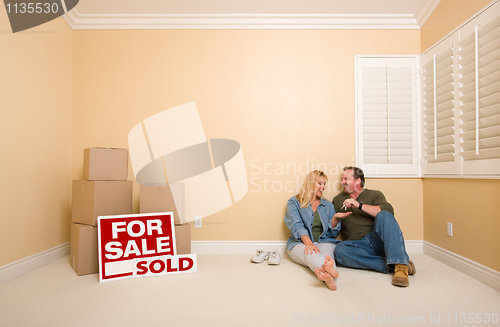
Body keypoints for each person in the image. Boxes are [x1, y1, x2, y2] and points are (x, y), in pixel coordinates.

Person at [332, 166, 415, 287]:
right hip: (358, 245)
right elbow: (332, 228)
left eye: (346, 179)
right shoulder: (338, 200)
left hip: (377, 240)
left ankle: (401, 269)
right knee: (340, 251)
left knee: (384, 215)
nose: (342, 182)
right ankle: (397, 264)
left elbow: (388, 212)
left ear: (358, 181)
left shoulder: (374, 194)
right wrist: (335, 217)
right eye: (342, 179)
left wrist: (359, 205)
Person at [284, 170, 341, 290]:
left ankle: (329, 278)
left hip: (324, 241)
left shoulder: (328, 205)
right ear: (310, 183)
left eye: (324, 184)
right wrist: (309, 243)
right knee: (310, 254)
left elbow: (333, 233)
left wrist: (335, 219)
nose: (323, 187)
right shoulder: (294, 202)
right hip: (300, 243)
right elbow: (296, 225)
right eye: (320, 183)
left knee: (328, 256)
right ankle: (332, 274)